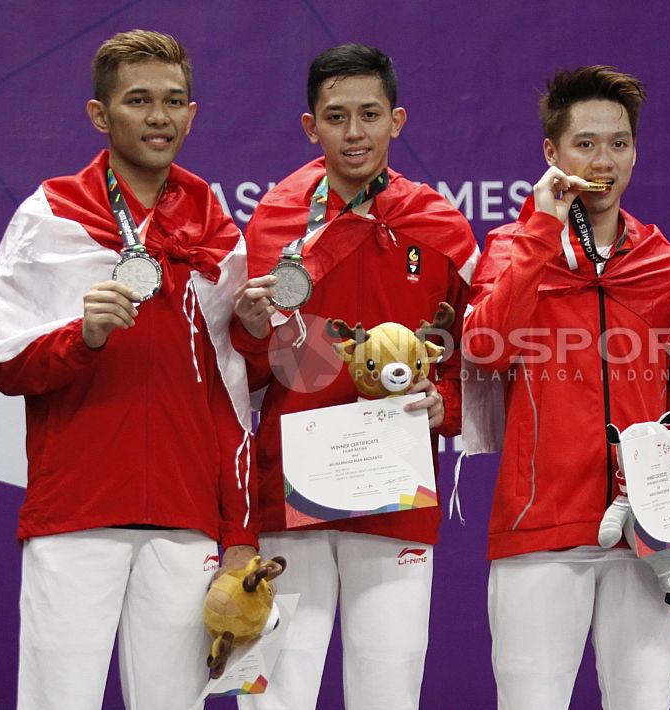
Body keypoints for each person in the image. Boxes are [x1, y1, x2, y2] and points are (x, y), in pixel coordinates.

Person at [0, 30, 258, 710]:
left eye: (174, 101)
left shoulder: (216, 227)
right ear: (101, 115)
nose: (159, 117)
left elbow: (230, 394)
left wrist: (241, 533)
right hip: (78, 513)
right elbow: (0, 359)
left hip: (185, 519)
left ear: (192, 113)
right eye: (139, 101)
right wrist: (83, 336)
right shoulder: (52, 216)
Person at [230, 44, 477, 710]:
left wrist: (443, 404)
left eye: (369, 114)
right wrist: (251, 331)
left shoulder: (439, 225)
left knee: (388, 692)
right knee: (276, 695)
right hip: (291, 491)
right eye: (336, 116)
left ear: (397, 120)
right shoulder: (274, 223)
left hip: (394, 497)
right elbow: (241, 373)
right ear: (311, 126)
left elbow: (468, 358)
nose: (355, 132)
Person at [462, 66, 670, 710]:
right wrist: (541, 231)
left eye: (619, 143)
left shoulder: (664, 264)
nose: (604, 160)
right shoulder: (512, 247)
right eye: (585, 143)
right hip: (538, 531)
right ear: (551, 153)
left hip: (647, 537)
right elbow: (485, 349)